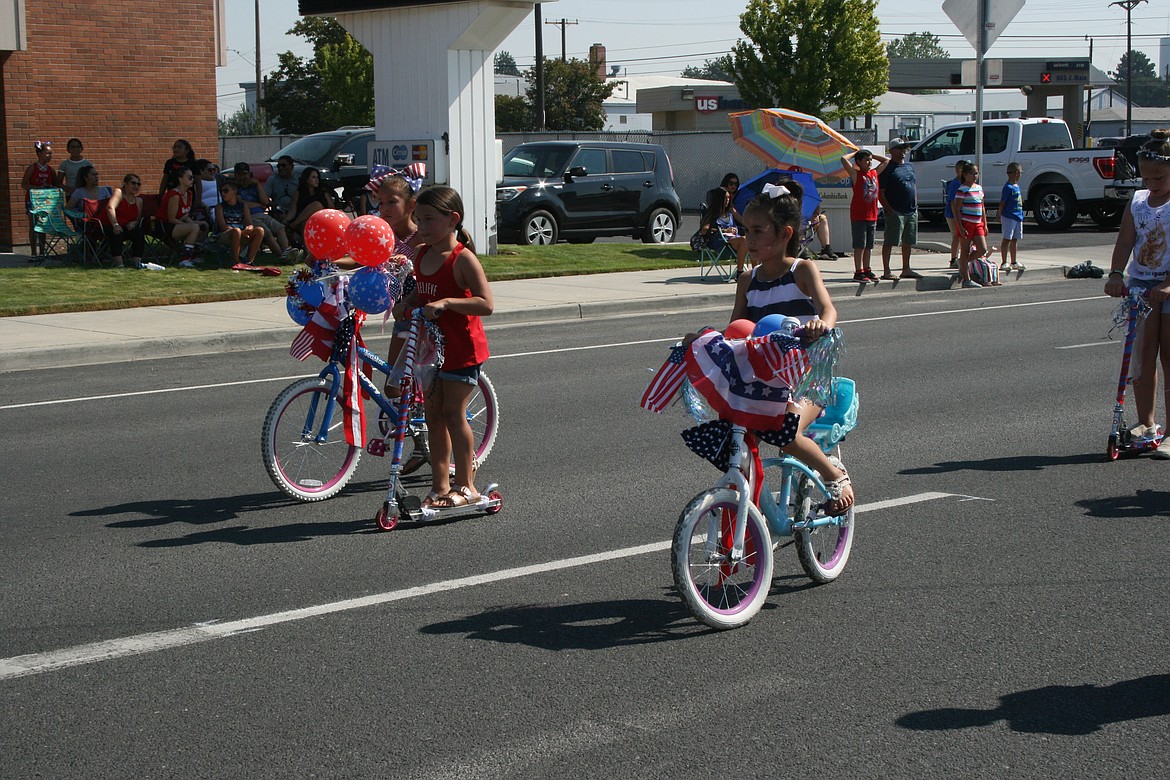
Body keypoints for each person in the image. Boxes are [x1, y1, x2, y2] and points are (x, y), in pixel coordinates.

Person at [724, 182, 854, 514]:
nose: (748, 238)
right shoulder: (747, 280)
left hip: (806, 377)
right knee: (732, 431)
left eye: (757, 230)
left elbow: (828, 309)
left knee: (786, 433)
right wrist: (704, 339)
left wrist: (820, 324)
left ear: (784, 234)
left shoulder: (802, 270)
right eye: (745, 230)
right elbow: (736, 329)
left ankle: (835, 473)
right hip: (766, 380)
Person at [396, 186, 493, 509]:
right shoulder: (422, 255)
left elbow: (485, 304)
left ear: (453, 219)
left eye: (428, 219)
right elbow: (419, 294)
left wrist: (449, 303)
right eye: (417, 219)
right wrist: (406, 303)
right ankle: (440, 485)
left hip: (461, 349)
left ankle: (467, 486)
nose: (421, 227)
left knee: (453, 413)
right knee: (433, 417)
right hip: (430, 353)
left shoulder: (462, 259)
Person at [1104, 130, 1170, 459]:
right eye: (1146, 176)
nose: (1152, 182)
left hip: (1168, 287)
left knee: (1169, 359)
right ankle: (1147, 423)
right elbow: (1126, 239)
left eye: (1159, 177)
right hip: (1142, 286)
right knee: (1142, 361)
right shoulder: (1139, 201)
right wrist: (1117, 274)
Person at [877, 137, 923, 280]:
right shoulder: (888, 168)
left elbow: (913, 185)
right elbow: (881, 192)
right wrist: (888, 209)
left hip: (910, 209)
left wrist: (915, 202)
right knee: (890, 241)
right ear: (892, 150)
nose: (903, 151)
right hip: (895, 210)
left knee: (908, 241)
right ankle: (887, 270)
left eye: (905, 148)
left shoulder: (909, 166)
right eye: (900, 148)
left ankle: (906, 268)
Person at [841, 148, 889, 282]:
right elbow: (844, 160)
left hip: (872, 215)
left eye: (870, 160)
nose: (869, 162)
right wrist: (856, 153)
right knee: (860, 245)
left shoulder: (874, 173)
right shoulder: (856, 175)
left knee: (869, 246)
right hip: (859, 216)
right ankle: (858, 271)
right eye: (866, 160)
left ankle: (867, 269)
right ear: (858, 162)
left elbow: (886, 160)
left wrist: (872, 155)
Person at [233, 162, 291, 258]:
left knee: (280, 228)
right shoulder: (234, 188)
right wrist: (259, 204)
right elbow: (242, 204)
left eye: (244, 174)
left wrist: (257, 183)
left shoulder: (254, 185)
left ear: (249, 174)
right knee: (267, 232)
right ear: (235, 175)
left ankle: (287, 252)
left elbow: (266, 201)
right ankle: (282, 257)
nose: (242, 177)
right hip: (248, 217)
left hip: (262, 214)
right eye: (239, 174)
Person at [156, 167, 205, 267]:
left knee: (204, 225)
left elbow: (185, 215)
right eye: (190, 177)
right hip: (165, 226)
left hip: (178, 223)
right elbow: (171, 219)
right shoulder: (174, 195)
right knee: (194, 227)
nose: (193, 180)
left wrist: (191, 223)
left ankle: (194, 254)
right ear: (180, 179)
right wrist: (190, 225)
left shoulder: (189, 194)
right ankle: (185, 259)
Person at [956, 161, 994, 288]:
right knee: (965, 250)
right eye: (972, 173)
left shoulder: (979, 188)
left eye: (976, 173)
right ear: (965, 175)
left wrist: (985, 223)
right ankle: (966, 279)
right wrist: (960, 226)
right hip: (966, 224)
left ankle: (963, 264)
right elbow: (956, 209)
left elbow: (982, 207)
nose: (974, 176)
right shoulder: (962, 189)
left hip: (978, 223)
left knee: (982, 249)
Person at [99, 174, 147, 269]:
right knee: (117, 232)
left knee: (139, 232)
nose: (136, 186)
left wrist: (134, 222)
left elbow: (138, 218)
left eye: (138, 184)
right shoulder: (119, 193)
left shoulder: (139, 201)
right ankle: (119, 264)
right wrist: (115, 224)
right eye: (133, 183)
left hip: (126, 227)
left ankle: (137, 262)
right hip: (108, 225)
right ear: (125, 184)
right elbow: (110, 207)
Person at [699, 186, 749, 276]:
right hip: (721, 243)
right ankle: (740, 271)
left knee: (752, 240)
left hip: (734, 240)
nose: (727, 200)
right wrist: (724, 230)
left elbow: (743, 223)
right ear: (719, 199)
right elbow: (704, 229)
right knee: (744, 240)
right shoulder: (712, 214)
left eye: (729, 198)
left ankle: (755, 271)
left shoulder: (729, 213)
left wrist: (734, 215)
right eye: (725, 198)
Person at [284, 166, 334, 257]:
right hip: (304, 222)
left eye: (317, 177)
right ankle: (308, 253)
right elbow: (293, 210)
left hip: (321, 221)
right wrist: (285, 222)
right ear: (306, 180)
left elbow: (331, 209)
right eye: (313, 177)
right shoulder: (298, 193)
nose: (316, 180)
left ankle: (294, 225)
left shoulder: (323, 193)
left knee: (317, 205)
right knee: (305, 223)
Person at [215, 179, 265, 264]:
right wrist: (239, 232)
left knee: (260, 230)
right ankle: (236, 262)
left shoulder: (243, 206)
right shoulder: (220, 207)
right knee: (236, 231)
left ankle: (249, 261)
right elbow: (223, 226)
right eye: (221, 191)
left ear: (234, 191)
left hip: (241, 233)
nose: (223, 193)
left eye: (226, 191)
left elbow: (249, 223)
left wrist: (249, 228)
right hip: (226, 235)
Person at [20, 140, 56, 258]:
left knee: (43, 226)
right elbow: (24, 184)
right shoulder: (32, 168)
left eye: (50, 154)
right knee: (33, 225)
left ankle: (42, 252)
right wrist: (38, 188)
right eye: (47, 153)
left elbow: (55, 185)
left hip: (45, 201)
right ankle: (33, 253)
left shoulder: (50, 170)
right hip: (32, 200)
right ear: (39, 153)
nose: (49, 156)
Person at [998, 162, 1027, 272]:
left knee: (1015, 239)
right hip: (1009, 216)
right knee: (1007, 239)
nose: (1020, 175)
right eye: (1020, 172)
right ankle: (1004, 262)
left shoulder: (1016, 186)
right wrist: (999, 214)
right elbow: (1002, 202)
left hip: (1018, 216)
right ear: (1015, 173)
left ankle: (1013, 261)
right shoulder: (1008, 187)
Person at [944, 159, 967, 269]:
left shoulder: (964, 183)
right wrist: (956, 216)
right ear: (959, 170)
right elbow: (953, 202)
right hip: (952, 214)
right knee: (956, 236)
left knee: (962, 236)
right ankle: (953, 259)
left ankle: (962, 257)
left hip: (962, 214)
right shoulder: (955, 184)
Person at [267, 155, 298, 220]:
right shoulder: (273, 179)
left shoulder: (298, 181)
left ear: (292, 167)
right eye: (278, 166)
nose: (280, 168)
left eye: (284, 165)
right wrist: (273, 205)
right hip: (279, 211)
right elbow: (265, 197)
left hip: (295, 210)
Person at [192, 160, 222, 224]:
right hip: (207, 210)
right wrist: (204, 206)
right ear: (201, 171)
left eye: (214, 170)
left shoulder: (220, 180)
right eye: (210, 170)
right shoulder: (196, 184)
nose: (213, 172)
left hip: (222, 209)